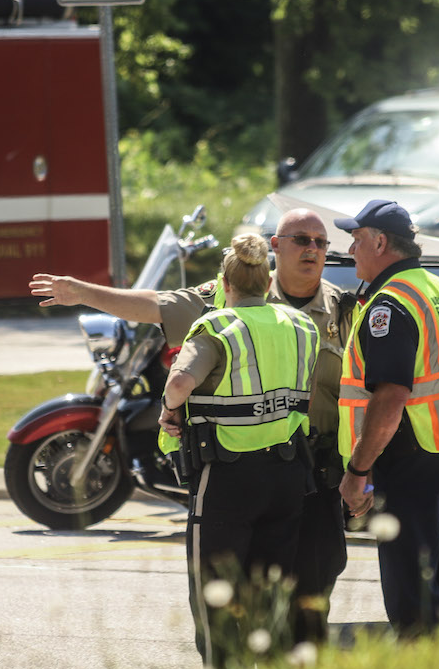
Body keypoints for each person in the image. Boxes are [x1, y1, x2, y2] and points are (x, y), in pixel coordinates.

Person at [29, 207, 353, 642]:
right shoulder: (233, 289)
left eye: (320, 242)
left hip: (315, 476)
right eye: (301, 240)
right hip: (237, 469)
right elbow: (156, 305)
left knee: (309, 599)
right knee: (233, 599)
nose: (312, 249)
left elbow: (368, 391)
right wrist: (82, 292)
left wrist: (362, 470)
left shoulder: (344, 308)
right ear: (275, 247)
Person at [156, 234, 319, 669]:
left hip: (227, 477)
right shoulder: (301, 325)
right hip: (286, 474)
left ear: (225, 285)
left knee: (215, 590)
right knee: (271, 589)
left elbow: (179, 383)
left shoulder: (217, 327)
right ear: (268, 281)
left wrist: (169, 410)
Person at [335, 199, 439, 635]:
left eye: (356, 240)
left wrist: (358, 470)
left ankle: (420, 658)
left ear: (381, 243)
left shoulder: (390, 304)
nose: (350, 250)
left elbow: (391, 397)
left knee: (411, 582)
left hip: (412, 454)